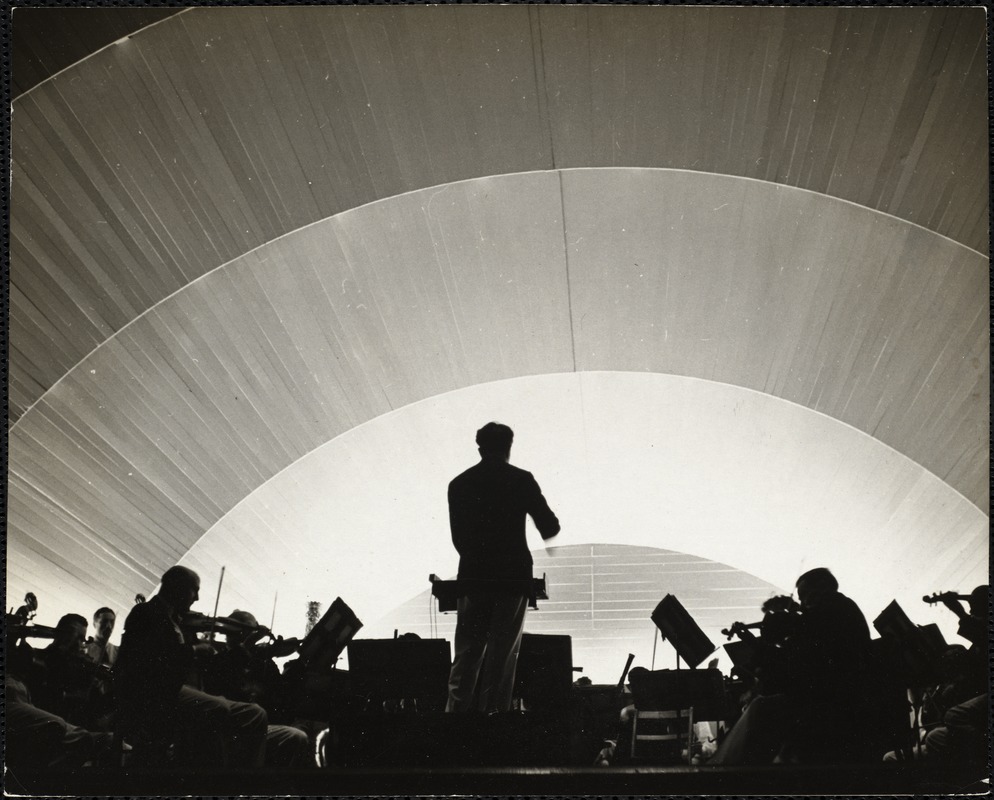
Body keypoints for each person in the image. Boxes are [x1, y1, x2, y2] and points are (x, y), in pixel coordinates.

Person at [445, 422, 560, 713]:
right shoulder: (521, 479)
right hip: (512, 579)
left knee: (466, 657)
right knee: (502, 660)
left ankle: (454, 727)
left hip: (474, 577)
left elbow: (459, 540)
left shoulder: (459, 484)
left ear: (480, 447)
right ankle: (494, 729)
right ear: (509, 447)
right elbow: (549, 524)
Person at [710, 567, 872, 765]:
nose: (803, 605)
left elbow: (797, 660)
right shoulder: (837, 610)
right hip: (831, 697)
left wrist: (769, 638)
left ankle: (725, 772)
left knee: (762, 709)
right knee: (763, 707)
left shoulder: (835, 609)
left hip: (834, 701)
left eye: (806, 596)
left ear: (822, 590)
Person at [115, 566, 271, 768]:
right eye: (193, 590)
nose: (196, 598)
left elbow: (214, 667)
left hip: (178, 690)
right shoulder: (145, 612)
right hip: (155, 692)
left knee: (256, 713)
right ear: (175, 586)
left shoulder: (180, 622)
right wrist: (193, 650)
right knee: (218, 707)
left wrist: (242, 648)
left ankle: (248, 781)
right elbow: (148, 660)